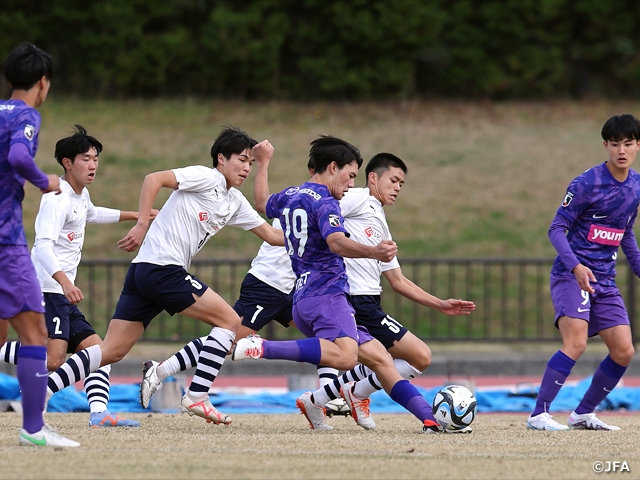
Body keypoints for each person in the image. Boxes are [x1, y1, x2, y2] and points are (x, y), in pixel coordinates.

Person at [44, 126, 285, 426]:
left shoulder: (234, 201)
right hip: (161, 269)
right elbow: (153, 179)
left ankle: (40, 390)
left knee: (110, 351)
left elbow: (273, 235)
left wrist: (316, 237)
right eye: (242, 160)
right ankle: (197, 395)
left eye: (251, 162)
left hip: (144, 272)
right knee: (230, 321)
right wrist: (141, 224)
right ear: (221, 159)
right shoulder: (206, 176)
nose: (246, 167)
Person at [233, 136, 446, 433]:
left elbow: (261, 203)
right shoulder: (328, 201)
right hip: (328, 294)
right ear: (333, 167)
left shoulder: (292, 194)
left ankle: (429, 418)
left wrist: (264, 164)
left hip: (303, 297)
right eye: (350, 176)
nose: (350, 185)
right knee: (346, 358)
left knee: (381, 360)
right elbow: (336, 242)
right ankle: (262, 347)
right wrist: (374, 251)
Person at [298, 152, 476, 430]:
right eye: (393, 180)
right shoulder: (358, 197)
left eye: (401, 184)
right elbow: (317, 213)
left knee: (417, 358)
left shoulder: (378, 218)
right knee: (404, 358)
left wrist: (440, 304)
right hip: (349, 300)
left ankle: (338, 395)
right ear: (373, 178)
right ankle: (350, 394)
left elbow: (398, 281)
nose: (397, 188)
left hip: (371, 304)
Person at [1, 125, 145, 427]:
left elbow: (92, 213)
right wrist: (65, 281)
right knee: (53, 360)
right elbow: (41, 246)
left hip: (60, 290)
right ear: (67, 162)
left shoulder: (81, 195)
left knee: (98, 352)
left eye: (95, 158)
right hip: (47, 286)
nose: (92, 165)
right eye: (85, 159)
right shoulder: (56, 199)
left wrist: (137, 215)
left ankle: (99, 413)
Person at [526, 114, 640, 431]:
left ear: (638, 146)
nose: (621, 150)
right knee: (575, 343)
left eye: (628, 144)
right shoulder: (586, 183)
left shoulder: (636, 187)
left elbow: (625, 232)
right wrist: (576, 265)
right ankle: (538, 414)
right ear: (605, 145)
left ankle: (582, 414)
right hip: (570, 274)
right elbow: (556, 229)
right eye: (615, 144)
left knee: (624, 350)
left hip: (605, 280)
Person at [0, 42, 79, 447]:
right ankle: (33, 429)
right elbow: (17, 156)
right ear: (42, 83)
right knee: (35, 334)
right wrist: (43, 180)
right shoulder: (28, 115)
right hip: (6, 243)